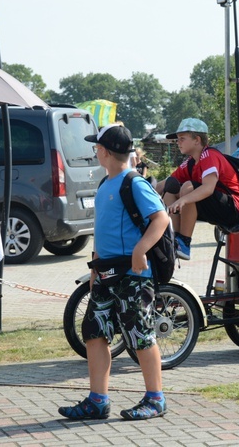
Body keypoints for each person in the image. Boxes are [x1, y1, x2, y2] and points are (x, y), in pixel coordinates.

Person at [59, 124, 169, 420]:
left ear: (105, 152)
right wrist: (94, 265)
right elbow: (102, 230)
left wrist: (140, 250)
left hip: (132, 275)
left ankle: (156, 399)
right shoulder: (105, 184)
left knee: (140, 334)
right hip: (105, 274)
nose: (95, 151)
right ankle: (97, 400)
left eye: (97, 147)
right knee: (94, 333)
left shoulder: (133, 182)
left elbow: (161, 218)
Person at [157, 118, 239, 261]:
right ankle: (175, 240)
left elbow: (208, 188)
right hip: (217, 206)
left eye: (182, 138)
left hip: (235, 209)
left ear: (197, 140)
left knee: (187, 187)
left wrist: (183, 200)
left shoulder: (209, 155)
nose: (178, 142)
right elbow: (165, 183)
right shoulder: (191, 162)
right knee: (170, 190)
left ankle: (184, 242)